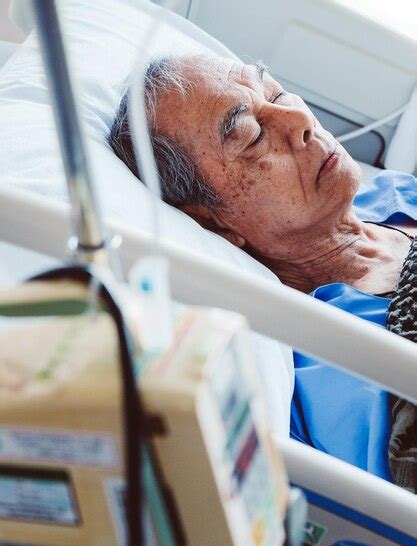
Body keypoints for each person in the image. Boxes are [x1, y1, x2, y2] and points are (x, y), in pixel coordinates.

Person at [109, 54, 417, 482]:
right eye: (251, 135)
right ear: (213, 221)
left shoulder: (396, 191)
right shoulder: (309, 365)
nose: (298, 120)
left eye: (279, 94)